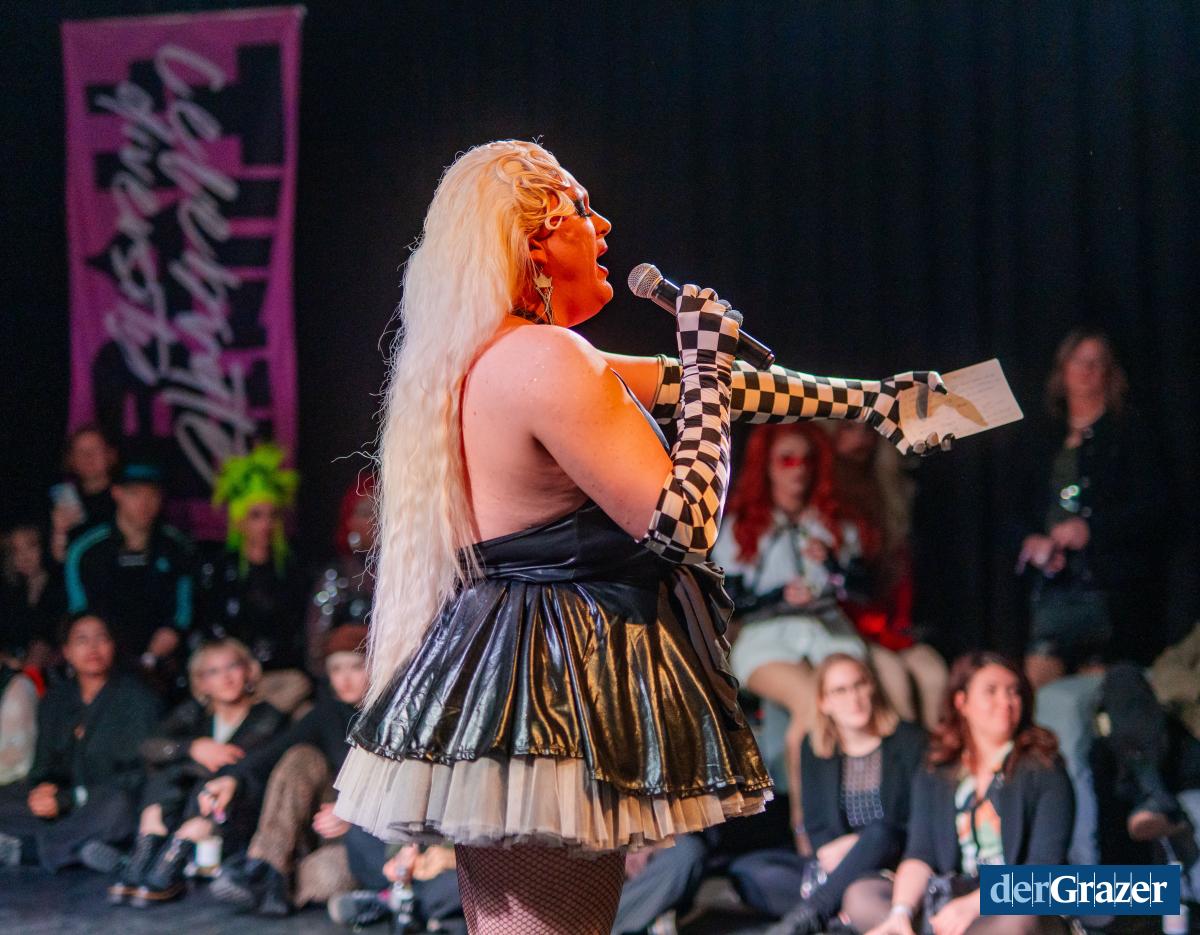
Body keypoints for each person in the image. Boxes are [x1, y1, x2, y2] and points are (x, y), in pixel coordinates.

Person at [329, 140, 945, 933]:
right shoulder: (547, 360)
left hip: (515, 664)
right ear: (534, 240)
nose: (605, 226)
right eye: (582, 209)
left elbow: (707, 386)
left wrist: (874, 403)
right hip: (552, 678)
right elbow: (686, 519)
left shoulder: (495, 354)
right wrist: (707, 362)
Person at [712, 423, 915, 836]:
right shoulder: (742, 526)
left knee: (886, 692)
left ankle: (902, 811)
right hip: (766, 635)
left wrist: (834, 566)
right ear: (767, 466)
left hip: (827, 630)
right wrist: (777, 596)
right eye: (786, 460)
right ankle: (812, 832)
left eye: (806, 460)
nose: (798, 470)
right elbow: (726, 600)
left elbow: (865, 589)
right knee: (813, 703)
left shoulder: (832, 523)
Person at [847, 653, 1073, 935]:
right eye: (991, 691)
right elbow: (921, 853)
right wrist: (900, 913)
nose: (1006, 701)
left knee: (1017, 921)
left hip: (1014, 898)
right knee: (862, 895)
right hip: (952, 895)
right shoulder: (937, 769)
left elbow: (1044, 868)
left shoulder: (1044, 768)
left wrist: (973, 906)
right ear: (961, 702)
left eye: (1014, 692)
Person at [1016, 329, 1166, 687]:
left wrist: (1091, 530)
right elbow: (1016, 509)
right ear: (1062, 369)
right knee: (1037, 680)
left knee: (1098, 688)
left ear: (1109, 373)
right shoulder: (1043, 436)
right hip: (1052, 587)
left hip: (1109, 589)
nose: (1086, 371)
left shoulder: (1128, 433)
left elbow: (1155, 509)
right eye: (1078, 361)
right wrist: (1031, 541)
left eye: (1096, 363)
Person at [99, 638, 287, 906]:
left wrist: (191, 762)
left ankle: (173, 855)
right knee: (165, 771)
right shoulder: (194, 713)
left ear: (248, 671)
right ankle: (148, 844)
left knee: (212, 779)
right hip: (184, 805)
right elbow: (149, 746)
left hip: (234, 812)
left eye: (233, 666)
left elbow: (240, 764)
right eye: (214, 671)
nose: (226, 677)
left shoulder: (267, 716)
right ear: (202, 682)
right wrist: (192, 747)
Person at [205, 624, 371, 916]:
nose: (344, 680)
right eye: (336, 670)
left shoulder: (397, 714)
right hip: (321, 828)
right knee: (301, 756)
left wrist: (355, 814)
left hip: (367, 838)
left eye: (355, 668)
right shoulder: (328, 712)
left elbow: (406, 792)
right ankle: (266, 865)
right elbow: (273, 751)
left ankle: (270, 883)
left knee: (327, 875)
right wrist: (232, 778)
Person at [757, 654, 926, 935]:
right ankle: (836, 913)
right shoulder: (815, 748)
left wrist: (859, 845)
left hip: (892, 862)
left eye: (860, 685)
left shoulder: (910, 742)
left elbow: (912, 825)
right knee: (750, 871)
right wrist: (842, 853)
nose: (853, 698)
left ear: (872, 688)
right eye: (840, 690)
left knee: (879, 834)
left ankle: (812, 914)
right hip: (836, 865)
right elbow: (816, 827)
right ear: (824, 702)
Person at [0, 614, 162, 871]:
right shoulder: (56, 699)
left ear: (113, 646)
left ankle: (28, 852)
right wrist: (44, 791)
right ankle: (84, 849)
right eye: (82, 640)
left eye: (101, 638)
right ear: (66, 651)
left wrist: (71, 798)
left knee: (118, 807)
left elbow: (138, 776)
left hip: (105, 802)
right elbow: (43, 766)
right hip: (64, 810)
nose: (93, 648)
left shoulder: (138, 699)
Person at [831, 422, 948, 730]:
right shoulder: (824, 497)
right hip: (842, 623)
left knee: (934, 674)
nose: (859, 439)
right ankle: (903, 755)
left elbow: (897, 576)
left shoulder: (888, 495)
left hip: (886, 622)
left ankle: (936, 755)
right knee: (894, 678)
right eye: (849, 429)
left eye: (868, 432)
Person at [197, 443, 310, 713]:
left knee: (300, 691)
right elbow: (210, 630)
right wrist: (242, 665)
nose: (265, 524)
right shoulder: (219, 570)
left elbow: (300, 631)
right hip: (233, 678)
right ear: (238, 520)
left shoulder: (293, 569)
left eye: (272, 515)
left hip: (282, 677)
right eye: (256, 516)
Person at [63, 461, 194, 689]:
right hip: (104, 664)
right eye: (135, 494)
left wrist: (168, 638)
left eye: (151, 495)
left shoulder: (176, 545)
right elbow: (79, 613)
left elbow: (184, 610)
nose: (144, 504)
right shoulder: (86, 550)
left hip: (163, 664)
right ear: (117, 493)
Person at [304, 475, 375, 679]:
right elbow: (316, 649)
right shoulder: (337, 574)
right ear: (349, 520)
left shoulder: (404, 575)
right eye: (366, 513)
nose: (375, 520)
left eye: (381, 511)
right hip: (345, 680)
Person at [48, 425, 118, 563]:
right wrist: (59, 532)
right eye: (80, 451)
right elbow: (57, 563)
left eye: (95, 450)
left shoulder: (126, 497)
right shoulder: (64, 501)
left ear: (110, 455)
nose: (88, 457)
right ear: (71, 459)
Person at [0, 523, 64, 669]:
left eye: (31, 547)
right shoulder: (9, 592)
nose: (24, 557)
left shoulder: (59, 585)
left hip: (51, 669)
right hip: (12, 666)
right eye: (16, 551)